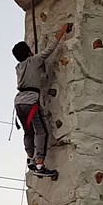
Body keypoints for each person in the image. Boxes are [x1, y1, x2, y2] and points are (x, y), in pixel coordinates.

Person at [12, 22, 70, 178]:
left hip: (19, 103)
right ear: (29, 52)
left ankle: (30, 158)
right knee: (41, 132)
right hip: (31, 101)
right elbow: (49, 50)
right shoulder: (35, 60)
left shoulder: (18, 67)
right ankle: (39, 164)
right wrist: (62, 31)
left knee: (28, 131)